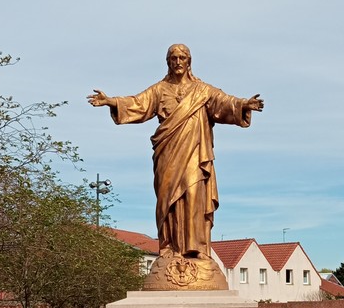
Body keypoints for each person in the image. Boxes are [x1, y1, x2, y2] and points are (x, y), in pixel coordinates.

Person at [87, 43, 263, 260]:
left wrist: (244, 105)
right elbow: (138, 104)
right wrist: (111, 101)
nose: (178, 62)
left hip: (196, 154)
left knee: (194, 195)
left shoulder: (203, 90)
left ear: (189, 61)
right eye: (173, 58)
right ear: (168, 62)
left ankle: (197, 248)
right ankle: (169, 248)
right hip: (167, 152)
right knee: (167, 200)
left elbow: (225, 103)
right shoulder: (159, 90)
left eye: (182, 58)